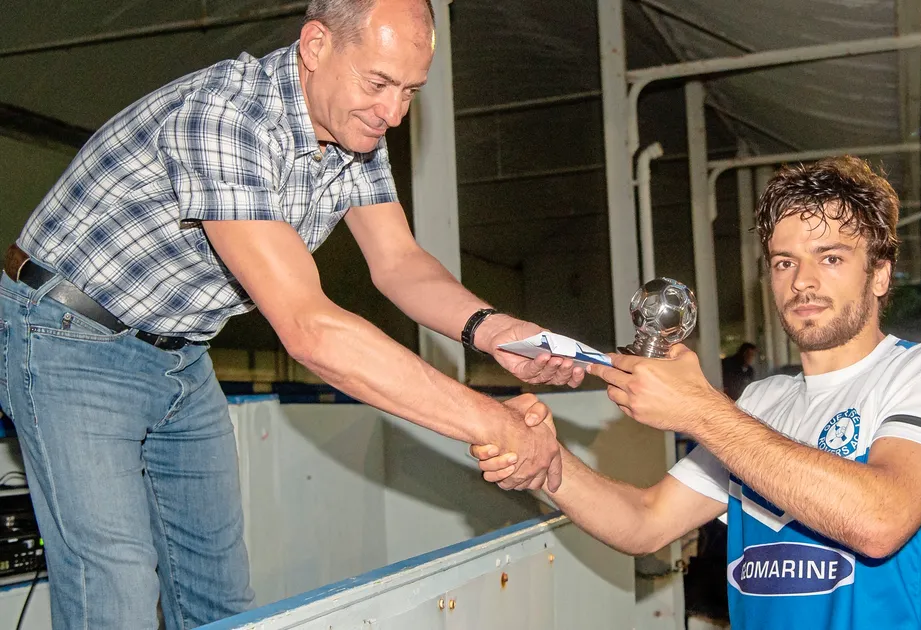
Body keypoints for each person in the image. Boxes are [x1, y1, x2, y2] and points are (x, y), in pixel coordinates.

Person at [0, 1, 575, 627]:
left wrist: (494, 330)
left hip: (180, 352)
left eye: (410, 91)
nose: (392, 112)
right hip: (70, 336)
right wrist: (489, 420)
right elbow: (307, 327)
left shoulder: (354, 131)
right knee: (116, 591)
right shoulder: (226, 116)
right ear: (316, 45)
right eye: (378, 83)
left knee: (219, 591)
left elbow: (400, 262)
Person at [474, 156, 921, 629]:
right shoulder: (761, 402)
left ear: (879, 275)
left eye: (829, 258)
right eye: (784, 262)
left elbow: (881, 519)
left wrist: (699, 410)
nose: (802, 282)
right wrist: (548, 460)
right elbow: (645, 523)